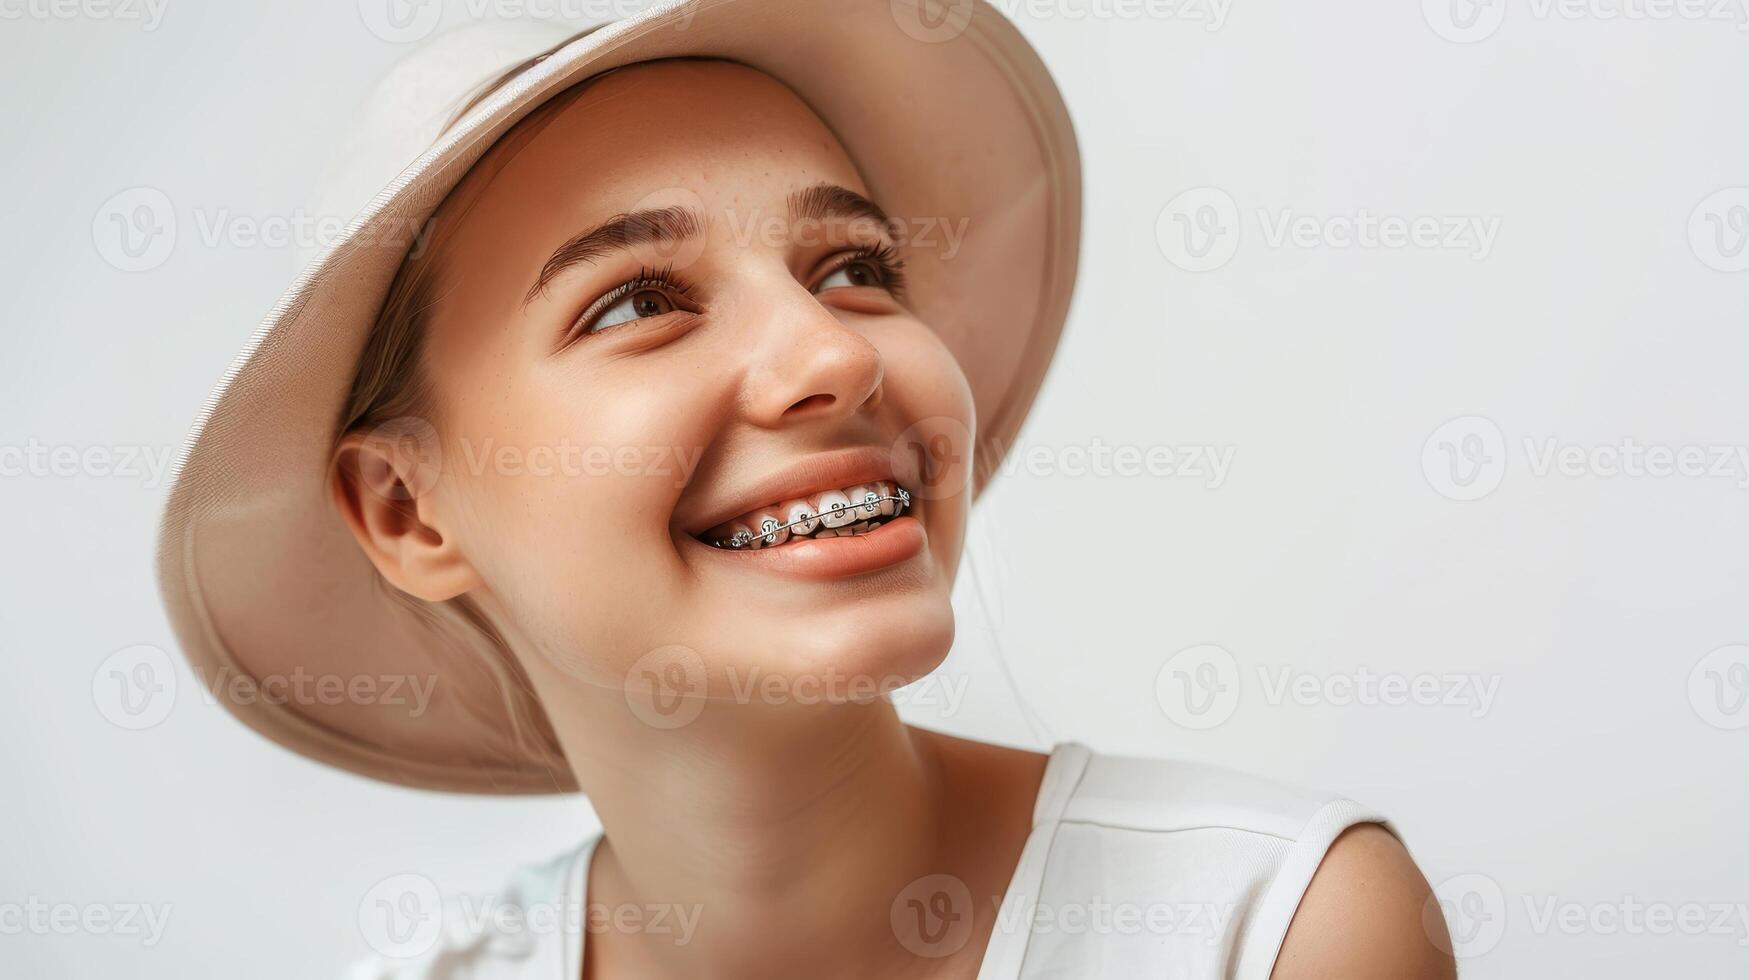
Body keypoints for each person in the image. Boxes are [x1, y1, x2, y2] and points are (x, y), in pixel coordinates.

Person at [155, 6, 1455, 978]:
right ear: (406, 511)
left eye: (852, 268)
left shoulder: (1275, 928)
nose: (833, 355)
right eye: (637, 302)